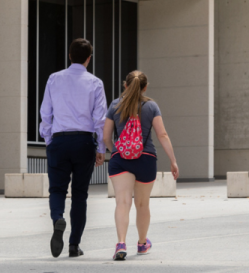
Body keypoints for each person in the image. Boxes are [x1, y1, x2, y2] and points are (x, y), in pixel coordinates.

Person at [39, 37, 106, 258]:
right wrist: (101, 149)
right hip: (84, 141)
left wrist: (49, 140)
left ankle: (58, 217)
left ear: (70, 56)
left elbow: (45, 113)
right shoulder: (95, 83)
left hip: (59, 140)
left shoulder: (53, 79)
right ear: (89, 59)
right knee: (80, 194)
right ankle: (73, 245)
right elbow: (100, 120)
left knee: (57, 189)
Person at [103, 70, 179, 261]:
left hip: (120, 159)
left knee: (123, 202)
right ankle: (142, 243)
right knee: (142, 204)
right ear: (145, 87)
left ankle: (121, 243)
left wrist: (117, 151)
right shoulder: (151, 106)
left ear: (125, 85)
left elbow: (105, 137)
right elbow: (162, 135)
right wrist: (173, 160)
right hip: (146, 158)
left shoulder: (114, 104)